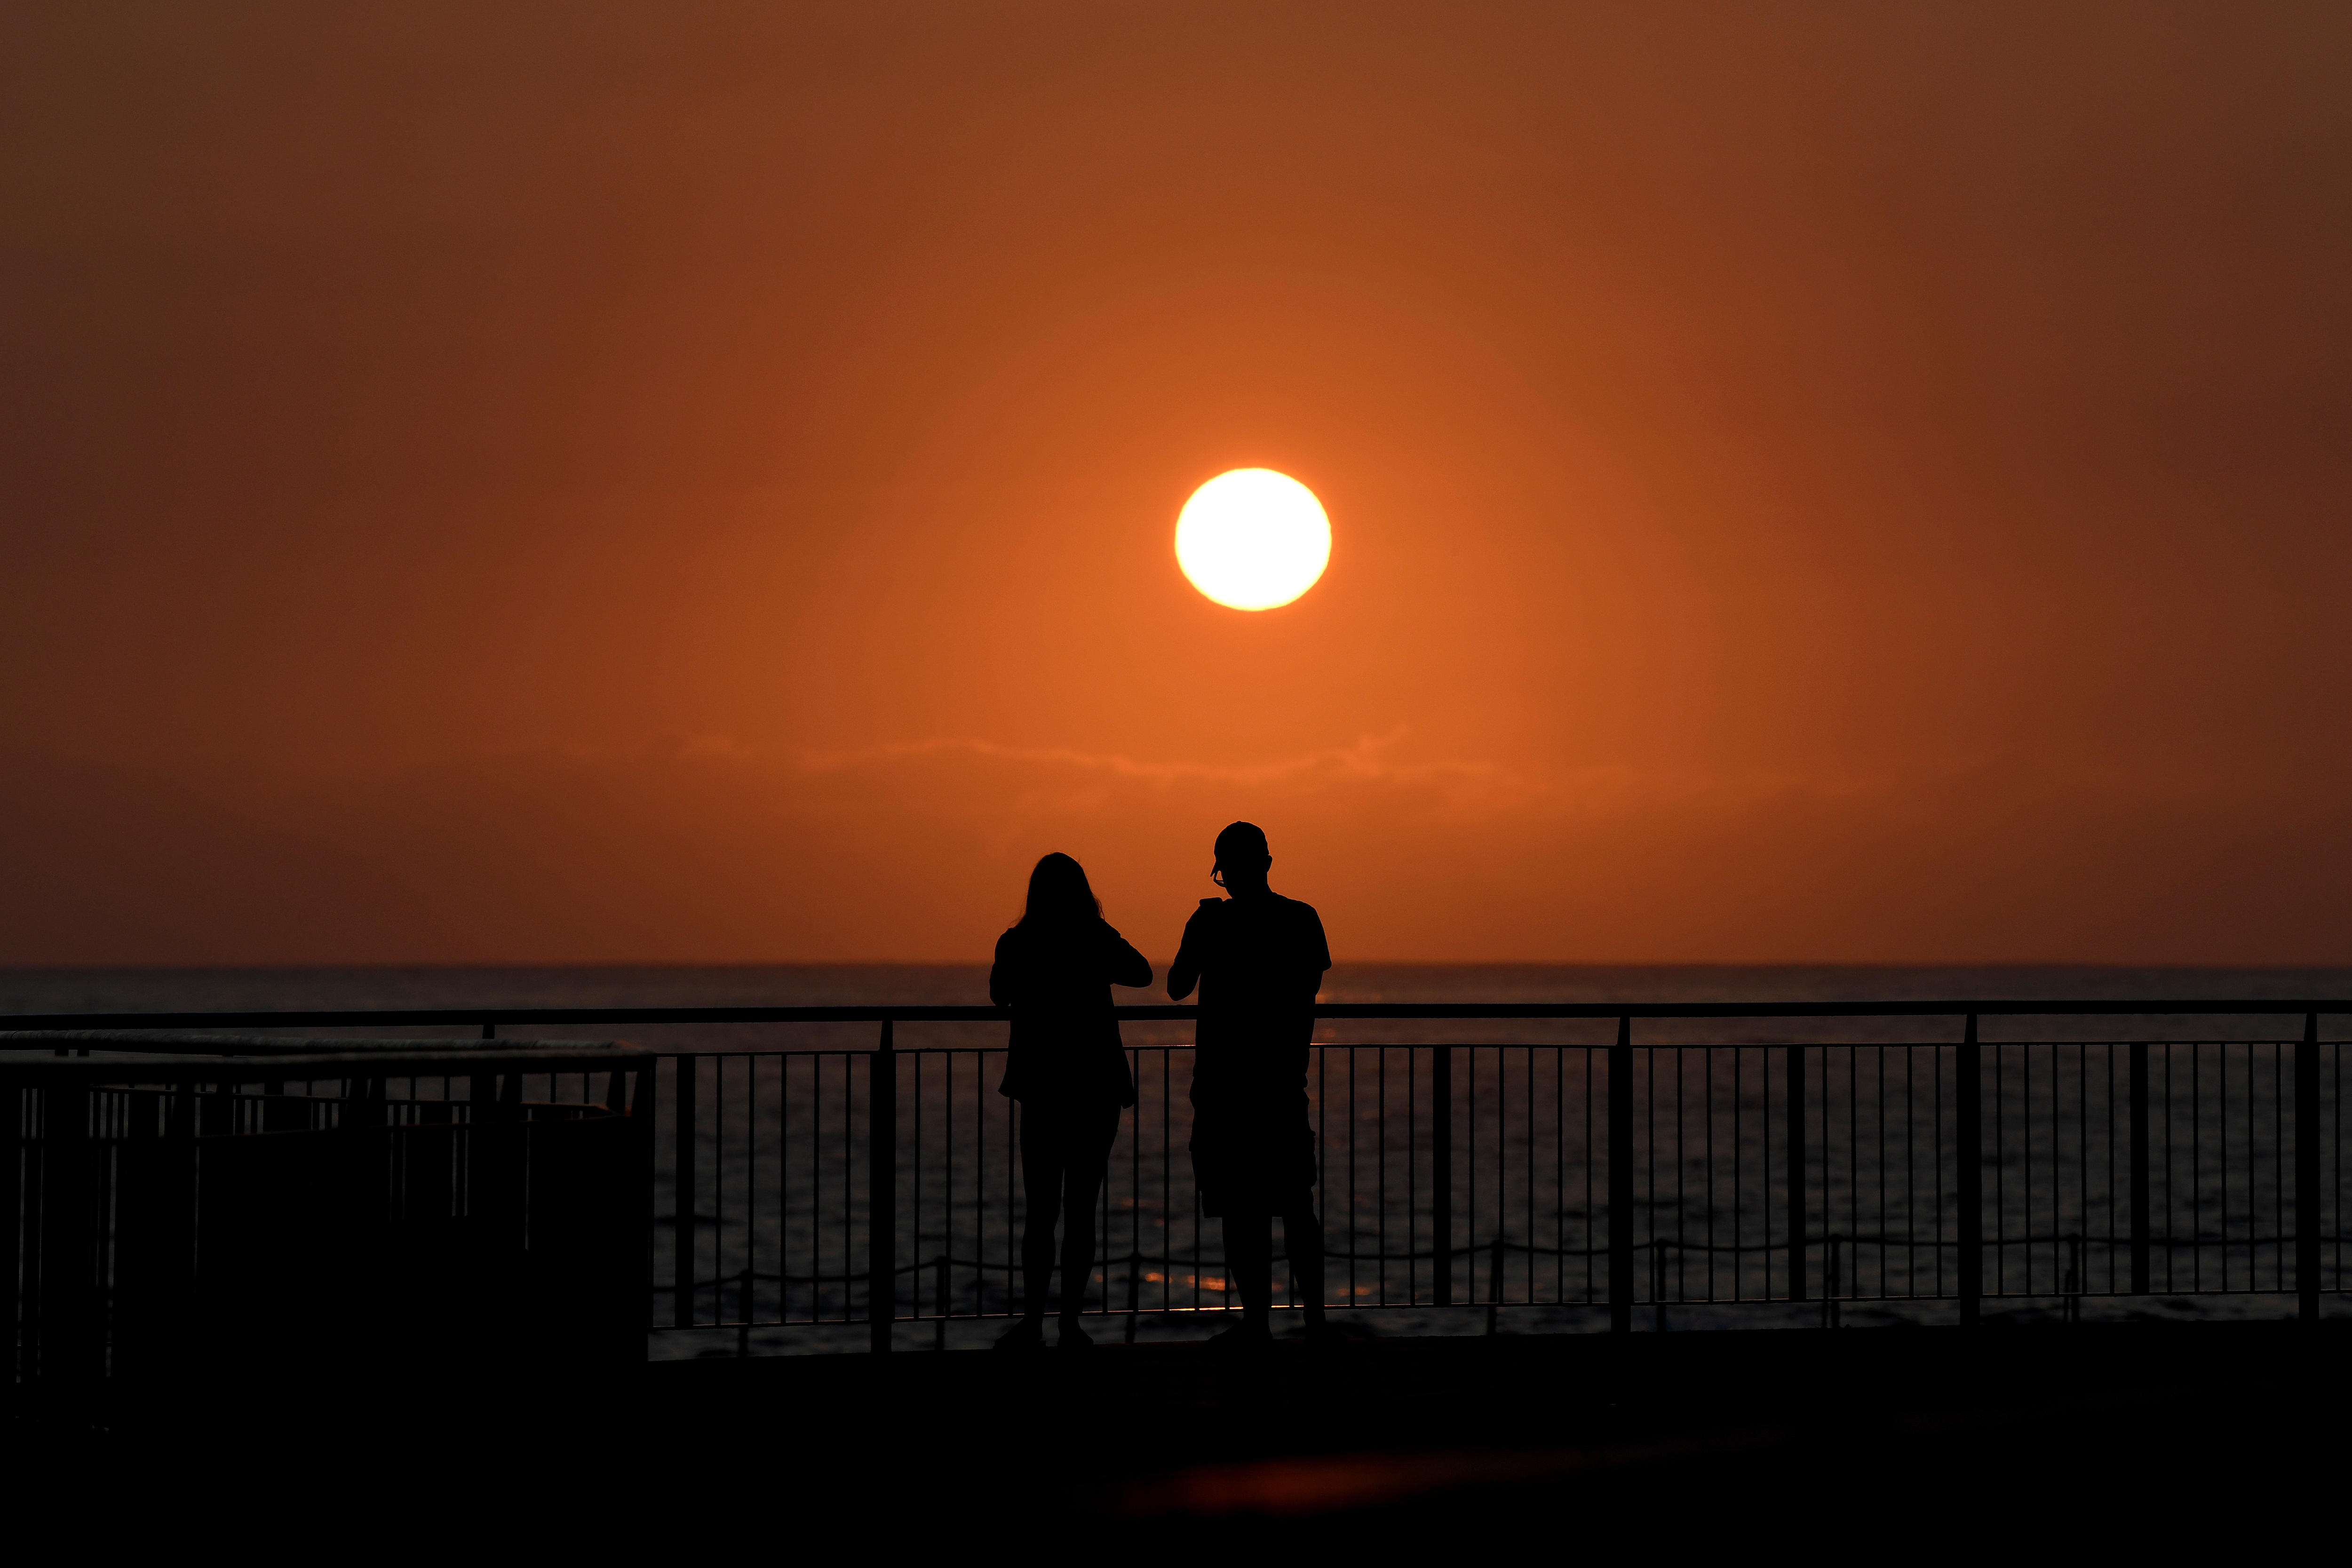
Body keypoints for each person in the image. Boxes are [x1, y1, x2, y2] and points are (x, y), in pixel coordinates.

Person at [1168, 821, 1333, 1348]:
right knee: (1295, 1203)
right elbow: (1307, 986)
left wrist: (1201, 928)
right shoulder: (1301, 918)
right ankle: (1314, 1322)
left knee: (1243, 1210)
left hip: (1223, 1086)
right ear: (1267, 862)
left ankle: (1257, 1323)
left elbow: (1175, 987)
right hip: (1282, 1081)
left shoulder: (1211, 924)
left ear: (1222, 871)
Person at [989, 852, 1152, 1350]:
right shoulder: (1094, 937)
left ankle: (1034, 1322)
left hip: (1042, 1086)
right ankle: (1069, 1325)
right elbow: (1142, 974)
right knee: (1082, 1209)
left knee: (1042, 1210)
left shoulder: (1018, 941)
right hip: (1095, 1084)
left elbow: (999, 994)